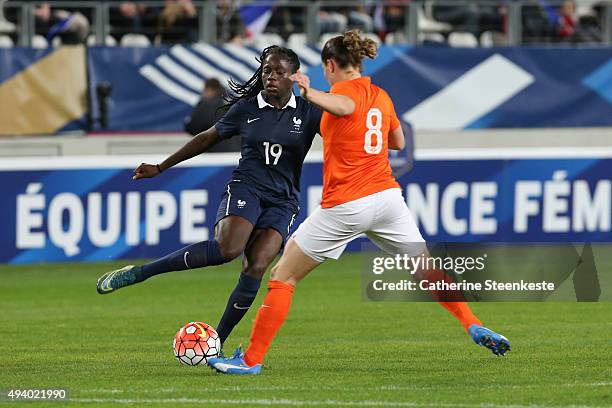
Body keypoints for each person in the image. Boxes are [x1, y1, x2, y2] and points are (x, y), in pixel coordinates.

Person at [208, 30, 510, 375]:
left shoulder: (340, 94)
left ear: (330, 64)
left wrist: (311, 92)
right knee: (427, 270)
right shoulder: (381, 95)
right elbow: (396, 140)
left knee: (282, 276)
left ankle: (250, 360)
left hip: (347, 204)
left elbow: (344, 105)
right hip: (388, 200)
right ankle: (472, 323)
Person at [96, 46, 322, 348]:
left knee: (256, 265)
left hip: (283, 200)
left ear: (294, 76)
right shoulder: (247, 108)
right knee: (227, 249)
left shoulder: (309, 112)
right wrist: (161, 167)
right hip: (247, 187)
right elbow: (206, 138)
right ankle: (141, 272)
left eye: (279, 72)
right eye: (267, 70)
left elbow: (343, 136)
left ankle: (215, 343)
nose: (271, 77)